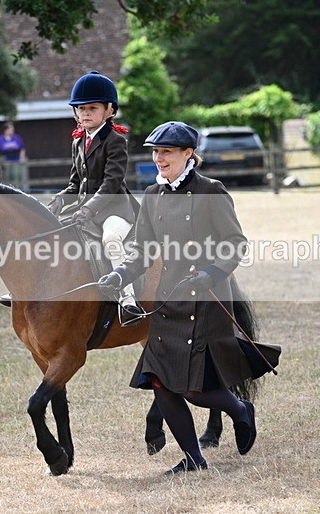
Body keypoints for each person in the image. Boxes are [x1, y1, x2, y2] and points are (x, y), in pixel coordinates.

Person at [97, 121, 273, 475]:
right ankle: (194, 459)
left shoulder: (212, 190)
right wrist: (120, 274)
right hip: (167, 302)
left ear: (188, 154)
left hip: (205, 301)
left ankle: (240, 410)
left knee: (193, 388)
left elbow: (235, 242)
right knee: (160, 383)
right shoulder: (152, 195)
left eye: (167, 152)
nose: (159, 158)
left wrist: (212, 271)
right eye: (155, 152)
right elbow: (141, 250)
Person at [40, 71, 144, 323]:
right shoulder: (78, 142)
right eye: (80, 108)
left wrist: (89, 209)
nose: (85, 113)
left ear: (110, 110)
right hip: (84, 210)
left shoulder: (115, 141)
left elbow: (111, 183)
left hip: (115, 210)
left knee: (111, 239)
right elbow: (76, 183)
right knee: (48, 233)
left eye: (92, 108)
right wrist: (60, 199)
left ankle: (128, 301)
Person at [0, 122, 27, 187]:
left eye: (12, 129)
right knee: (7, 176)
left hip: (15, 159)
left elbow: (22, 148)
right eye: (10, 129)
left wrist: (21, 158)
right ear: (6, 130)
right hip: (5, 159)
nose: (12, 131)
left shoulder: (16, 138)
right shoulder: (0, 139)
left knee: (15, 174)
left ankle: (16, 190)